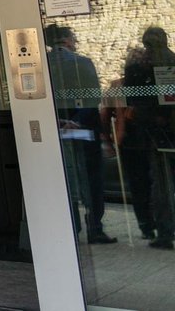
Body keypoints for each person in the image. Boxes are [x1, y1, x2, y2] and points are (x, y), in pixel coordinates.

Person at [44, 25, 116, 244]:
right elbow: (93, 96)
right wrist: (76, 121)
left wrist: (57, 120)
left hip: (55, 129)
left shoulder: (42, 64)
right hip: (83, 128)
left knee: (64, 179)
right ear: (66, 40)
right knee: (92, 179)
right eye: (73, 38)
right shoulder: (82, 63)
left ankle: (71, 227)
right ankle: (95, 227)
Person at [120, 26, 175, 249]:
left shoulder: (143, 66)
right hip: (166, 129)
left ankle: (165, 231)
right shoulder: (170, 60)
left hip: (157, 132)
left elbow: (134, 98)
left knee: (162, 184)